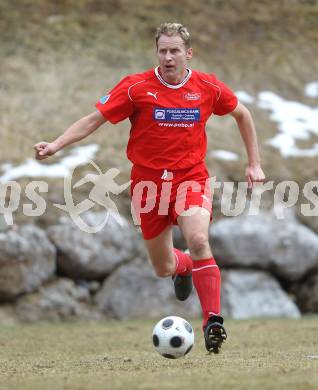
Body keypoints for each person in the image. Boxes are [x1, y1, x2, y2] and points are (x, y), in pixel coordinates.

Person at [34, 22, 265, 354]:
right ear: (157, 52)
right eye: (162, 51)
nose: (168, 57)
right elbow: (93, 119)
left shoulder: (207, 87)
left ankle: (213, 320)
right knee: (164, 268)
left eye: (174, 51)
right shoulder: (136, 87)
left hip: (191, 179)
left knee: (199, 239)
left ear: (188, 53)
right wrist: (57, 144)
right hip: (148, 186)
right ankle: (183, 267)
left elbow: (243, 115)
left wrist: (254, 163)